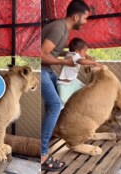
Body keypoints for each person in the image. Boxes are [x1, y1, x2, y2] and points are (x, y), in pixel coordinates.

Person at [41, 0, 90, 171]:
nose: (85, 22)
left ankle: (52, 134)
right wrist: (66, 62)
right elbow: (40, 55)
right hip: (40, 70)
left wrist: (68, 55)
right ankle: (43, 154)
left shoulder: (61, 28)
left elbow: (53, 50)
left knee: (55, 105)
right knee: (55, 105)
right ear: (76, 16)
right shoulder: (58, 28)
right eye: (85, 18)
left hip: (47, 71)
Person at [57, 38, 101, 105]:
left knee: (86, 90)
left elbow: (81, 60)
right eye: (84, 51)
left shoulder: (70, 54)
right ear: (77, 51)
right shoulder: (74, 56)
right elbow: (82, 61)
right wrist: (95, 63)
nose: (85, 53)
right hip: (64, 85)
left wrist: (86, 59)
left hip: (73, 81)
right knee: (64, 103)